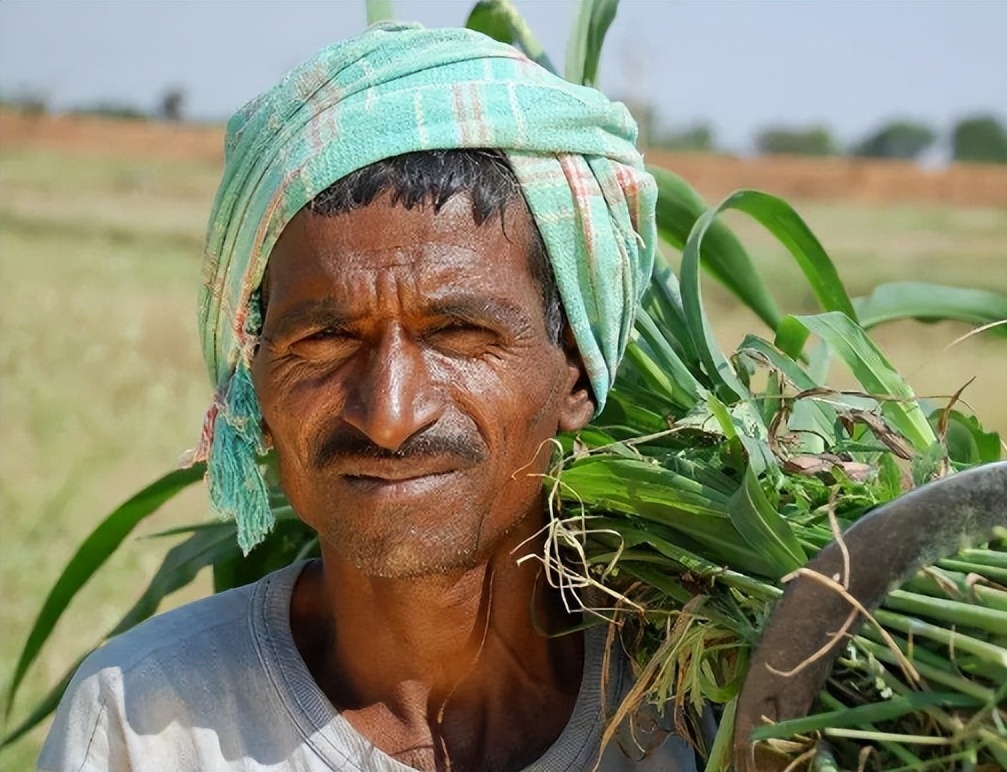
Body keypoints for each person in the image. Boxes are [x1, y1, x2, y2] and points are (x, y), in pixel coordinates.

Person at [38, 21, 697, 772]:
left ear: (576, 369)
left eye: (457, 332)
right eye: (324, 338)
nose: (388, 415)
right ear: (254, 382)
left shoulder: (699, 711)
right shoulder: (147, 723)